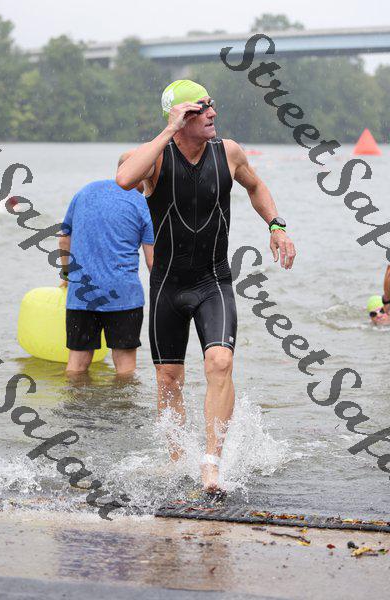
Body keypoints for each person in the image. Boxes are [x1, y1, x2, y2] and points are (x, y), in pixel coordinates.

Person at [116, 79, 296, 495]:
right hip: (167, 285)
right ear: (181, 117)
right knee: (168, 378)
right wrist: (169, 129)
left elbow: (256, 186)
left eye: (212, 105)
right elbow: (124, 179)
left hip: (212, 280)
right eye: (201, 109)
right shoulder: (152, 158)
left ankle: (211, 465)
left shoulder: (228, 152)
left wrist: (276, 225)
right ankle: (177, 459)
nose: (213, 113)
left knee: (220, 362)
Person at [59, 170, 154, 376]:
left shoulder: (84, 192)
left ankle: (74, 398)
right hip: (124, 296)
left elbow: (64, 239)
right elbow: (152, 261)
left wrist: (67, 275)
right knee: (125, 369)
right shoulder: (142, 203)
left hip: (82, 293)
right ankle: (120, 399)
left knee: (76, 365)